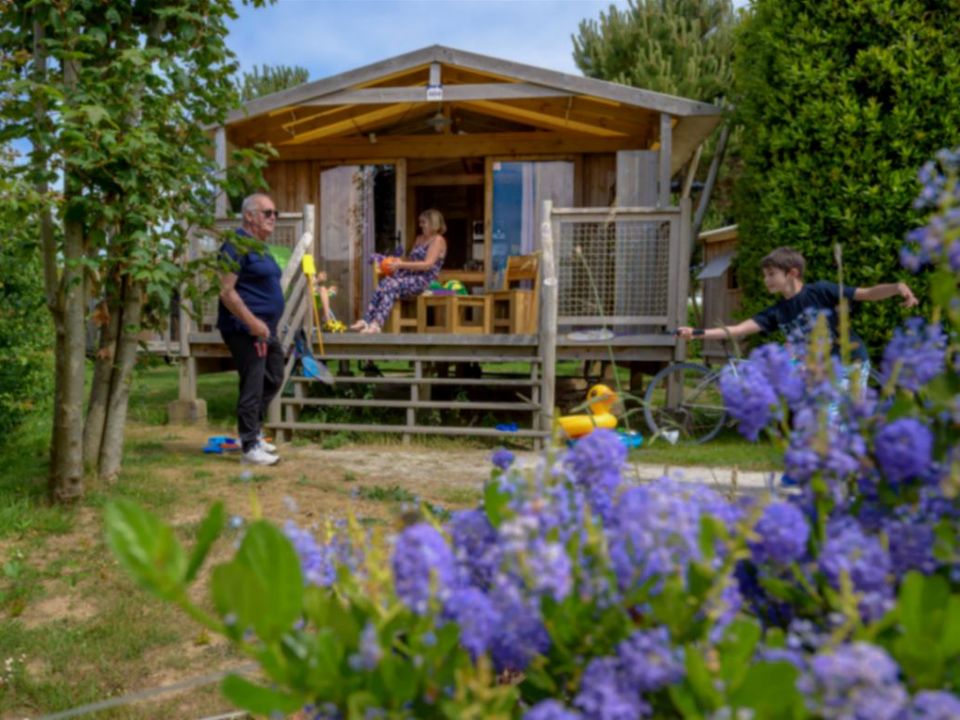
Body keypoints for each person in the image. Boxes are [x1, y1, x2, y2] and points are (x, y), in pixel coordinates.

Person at [678, 246, 918, 364]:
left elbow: (866, 293)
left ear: (792, 273)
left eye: (771, 274)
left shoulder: (821, 291)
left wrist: (897, 287)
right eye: (765, 275)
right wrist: (697, 333)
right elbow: (739, 330)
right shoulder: (777, 312)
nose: (766, 280)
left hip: (849, 363)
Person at [217, 193, 285, 466]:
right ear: (249, 215)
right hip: (245, 328)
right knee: (253, 383)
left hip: (265, 328)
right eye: (268, 213)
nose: (273, 218)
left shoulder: (260, 247)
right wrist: (253, 322)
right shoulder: (235, 245)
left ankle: (254, 434)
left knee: (275, 375)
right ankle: (248, 445)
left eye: (274, 214)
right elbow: (226, 291)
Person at [351, 209, 447, 334]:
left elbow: (427, 265)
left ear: (433, 223)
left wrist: (401, 264)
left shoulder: (438, 240)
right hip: (409, 277)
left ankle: (376, 324)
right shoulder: (419, 239)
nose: (421, 225)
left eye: (424, 222)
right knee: (385, 283)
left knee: (391, 284)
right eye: (420, 222)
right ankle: (367, 320)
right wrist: (397, 260)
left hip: (424, 281)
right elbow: (411, 260)